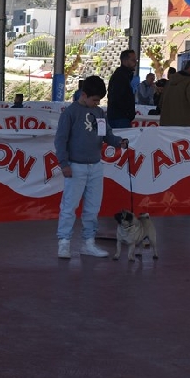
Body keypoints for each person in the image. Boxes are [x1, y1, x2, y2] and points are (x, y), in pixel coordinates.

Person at [55, 75, 129, 259]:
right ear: (84, 95)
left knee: (92, 208)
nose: (97, 103)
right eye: (95, 100)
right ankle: (64, 243)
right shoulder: (70, 113)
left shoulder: (99, 113)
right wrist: (64, 163)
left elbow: (106, 135)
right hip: (75, 167)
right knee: (69, 207)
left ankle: (88, 243)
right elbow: (60, 140)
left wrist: (119, 142)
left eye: (99, 101)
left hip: (96, 166)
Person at [107, 49, 138, 128]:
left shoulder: (125, 76)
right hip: (120, 118)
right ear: (125, 61)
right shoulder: (120, 77)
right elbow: (116, 98)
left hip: (121, 117)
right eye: (133, 60)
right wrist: (127, 113)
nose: (135, 63)